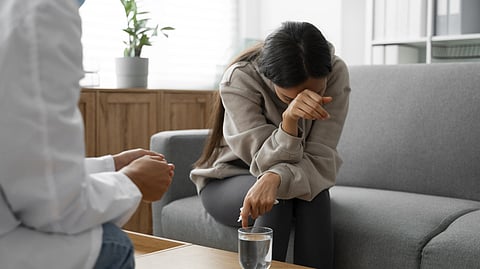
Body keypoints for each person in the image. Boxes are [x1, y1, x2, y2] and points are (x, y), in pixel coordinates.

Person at [0, 0, 174, 268]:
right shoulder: (44, 11)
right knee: (112, 243)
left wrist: (110, 164)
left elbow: (18, 163)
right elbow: (55, 209)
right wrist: (132, 182)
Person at [191, 21, 350, 268]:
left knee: (313, 193)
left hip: (285, 174)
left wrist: (275, 177)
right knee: (280, 197)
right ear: (269, 76)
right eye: (288, 98)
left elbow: (321, 157)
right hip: (229, 177)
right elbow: (263, 161)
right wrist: (289, 120)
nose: (303, 102)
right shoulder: (240, 79)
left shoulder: (336, 71)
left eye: (315, 93)